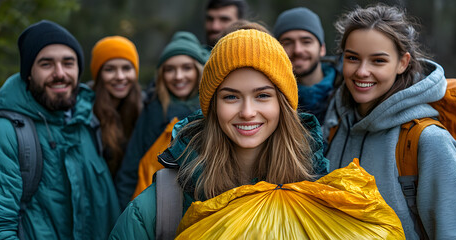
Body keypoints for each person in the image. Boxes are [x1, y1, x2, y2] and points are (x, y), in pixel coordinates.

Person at [108, 29, 329, 239]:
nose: (247, 112)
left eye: (262, 95)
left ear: (283, 104)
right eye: (231, 97)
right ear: (212, 106)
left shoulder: (318, 190)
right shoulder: (159, 208)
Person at [322, 4, 456, 239]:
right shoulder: (335, 123)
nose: (362, 71)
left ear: (402, 63)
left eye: (378, 61)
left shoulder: (428, 140)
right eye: (353, 58)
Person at [0, 20, 120, 239]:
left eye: (68, 63)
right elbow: (1, 226)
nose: (60, 73)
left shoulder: (87, 120)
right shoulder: (7, 131)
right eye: (46, 64)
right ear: (28, 73)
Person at [115, 31, 209, 209]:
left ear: (199, 69)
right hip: (154, 209)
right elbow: (130, 168)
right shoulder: (153, 110)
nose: (178, 76)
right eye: (170, 69)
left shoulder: (212, 111)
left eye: (186, 68)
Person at [273, 7, 342, 123]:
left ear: (322, 49)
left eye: (306, 42)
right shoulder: (272, 99)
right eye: (287, 43)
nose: (298, 50)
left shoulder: (349, 91)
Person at [90, 36, 142, 179]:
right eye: (110, 69)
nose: (120, 76)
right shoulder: (85, 113)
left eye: (126, 68)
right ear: (99, 74)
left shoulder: (144, 109)